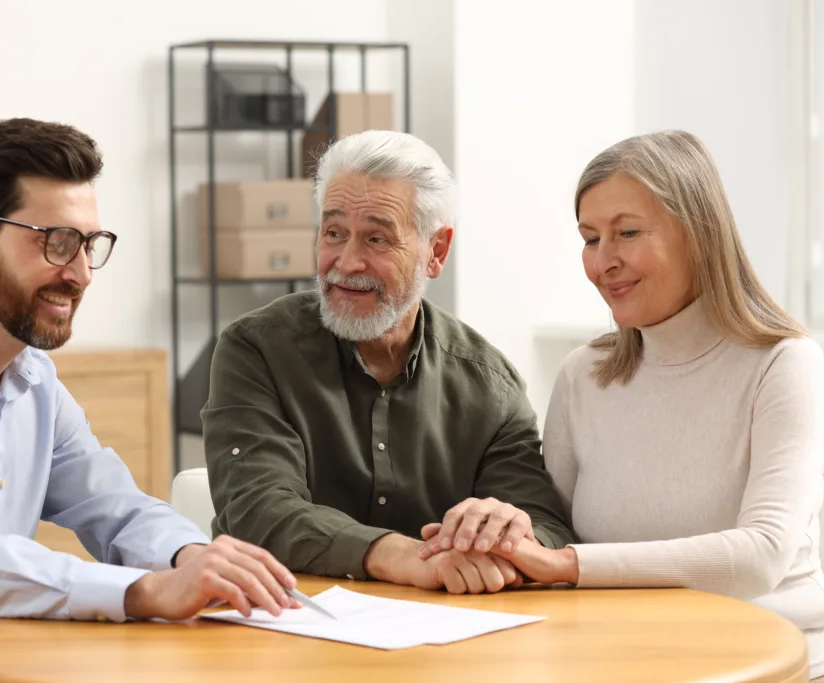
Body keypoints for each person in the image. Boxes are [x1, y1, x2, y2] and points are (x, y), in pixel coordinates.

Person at [0, 118, 299, 683]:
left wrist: (191, 558)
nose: (80, 275)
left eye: (89, 245)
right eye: (57, 242)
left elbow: (116, 506)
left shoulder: (35, 380)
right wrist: (145, 591)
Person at [418, 130, 824, 680]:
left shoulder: (783, 363)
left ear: (698, 234)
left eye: (627, 233)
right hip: (616, 662)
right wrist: (503, 529)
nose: (604, 261)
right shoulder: (582, 376)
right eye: (591, 239)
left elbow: (760, 556)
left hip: (771, 667)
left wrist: (564, 566)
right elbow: (551, 531)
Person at [202, 130, 575, 595]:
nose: (347, 262)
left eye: (377, 239)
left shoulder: (489, 385)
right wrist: (407, 558)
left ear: (435, 252)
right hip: (286, 626)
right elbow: (258, 509)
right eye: (334, 233)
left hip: (443, 640)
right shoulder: (256, 349)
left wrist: (508, 536)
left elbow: (548, 530)